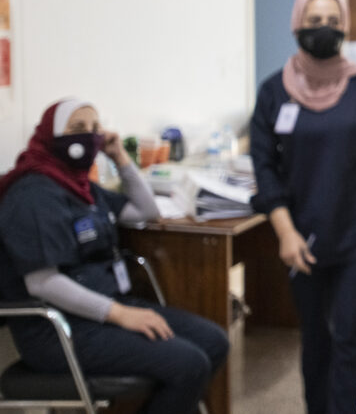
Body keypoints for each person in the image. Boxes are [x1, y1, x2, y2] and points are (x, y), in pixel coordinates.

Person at [0, 98, 230, 414]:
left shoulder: (80, 186)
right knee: (188, 364)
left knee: (214, 341)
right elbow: (43, 283)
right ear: (50, 136)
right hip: (59, 331)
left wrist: (120, 158)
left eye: (95, 129)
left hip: (104, 312)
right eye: (77, 128)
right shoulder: (33, 194)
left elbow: (144, 211)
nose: (89, 136)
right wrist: (120, 315)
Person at [249, 0, 356, 414]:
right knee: (315, 342)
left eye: (333, 22)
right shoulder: (273, 92)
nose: (324, 29)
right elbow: (264, 167)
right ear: (297, 25)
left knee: (354, 341)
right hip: (302, 237)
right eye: (314, 21)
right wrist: (284, 231)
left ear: (345, 28)